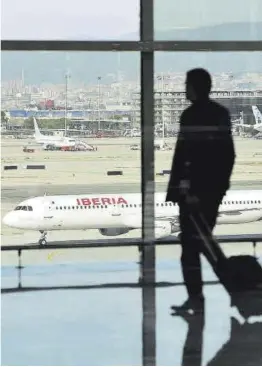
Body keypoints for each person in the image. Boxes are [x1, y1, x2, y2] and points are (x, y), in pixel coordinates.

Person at [166, 68, 235, 312]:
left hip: (196, 193)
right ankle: (233, 287)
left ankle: (217, 290)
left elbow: (184, 156)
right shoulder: (219, 114)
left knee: (194, 247)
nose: (184, 88)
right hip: (206, 192)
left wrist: (180, 189)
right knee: (200, 245)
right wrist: (219, 188)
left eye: (187, 84)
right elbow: (227, 155)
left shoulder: (192, 116)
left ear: (196, 87)